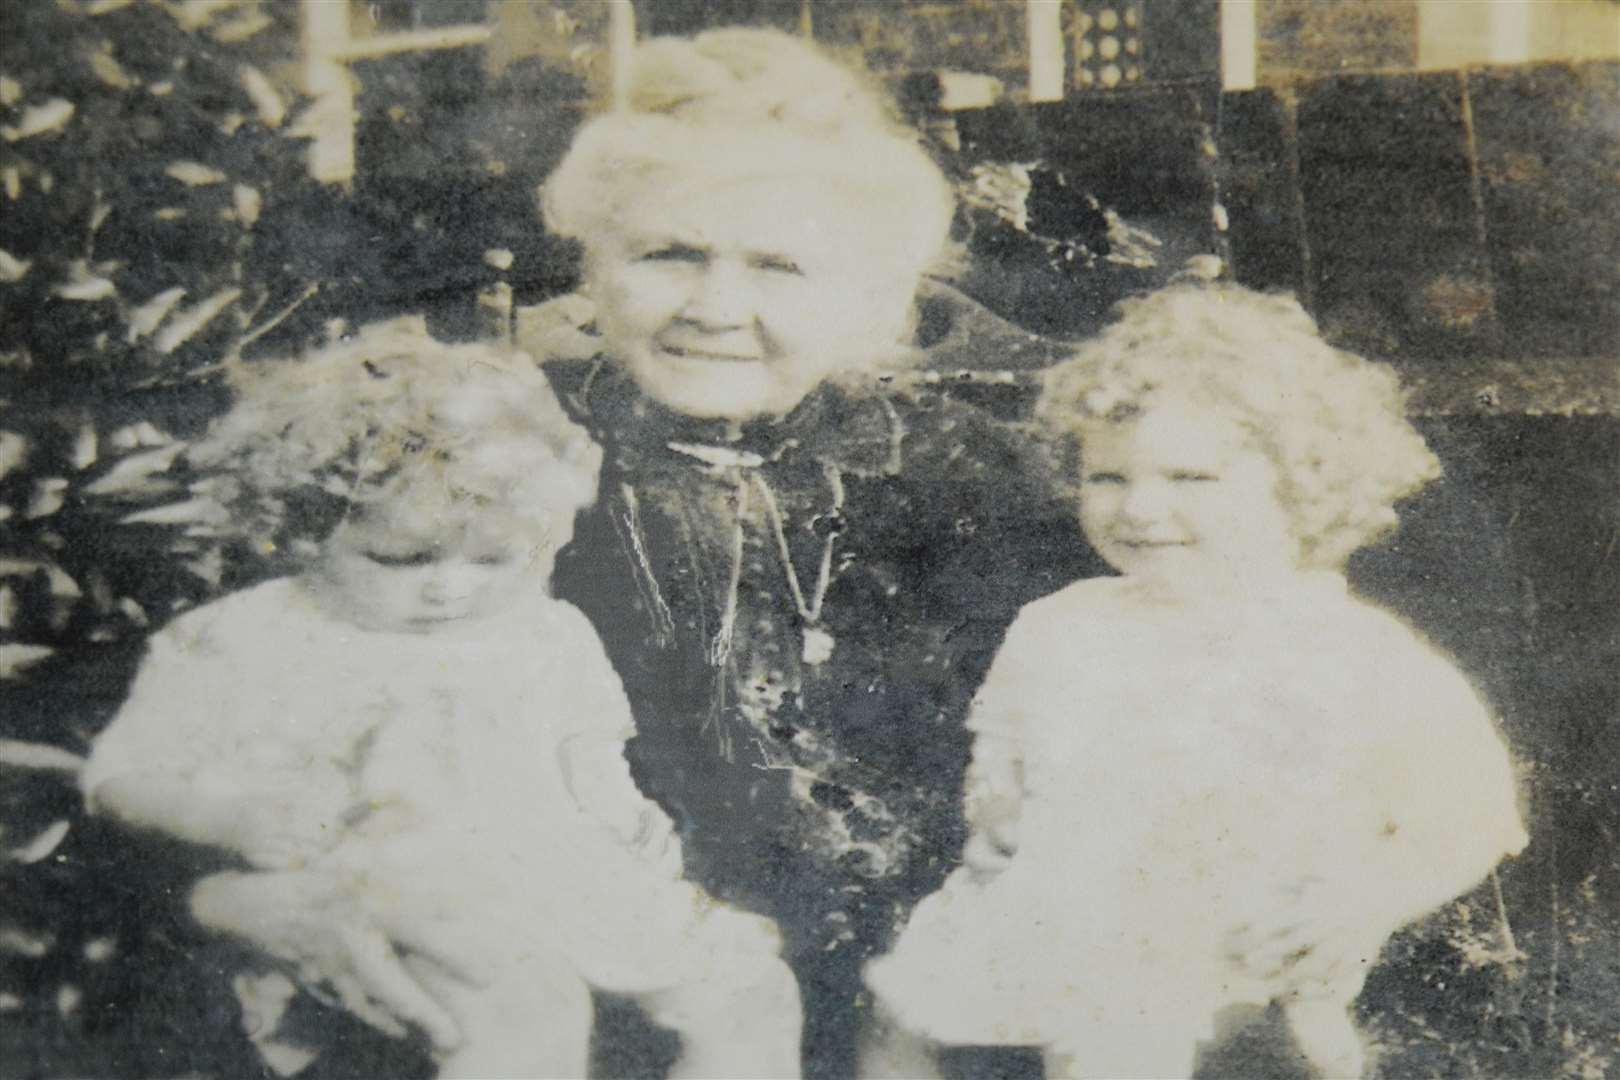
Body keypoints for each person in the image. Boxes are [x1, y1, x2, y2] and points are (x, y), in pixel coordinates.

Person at [534, 26, 1103, 1078]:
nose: (714, 309)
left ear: (868, 297)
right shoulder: (505, 476)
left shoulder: (983, 485)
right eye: (669, 253)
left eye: (778, 266)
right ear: (596, 266)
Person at [81, 319, 801, 1079]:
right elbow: (123, 777)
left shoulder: (543, 630)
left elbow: (586, 753)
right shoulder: (243, 637)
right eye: (402, 557)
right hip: (394, 887)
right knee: (521, 1009)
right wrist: (227, 816)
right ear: (300, 528)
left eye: (493, 556)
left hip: (556, 869)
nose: (450, 585)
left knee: (746, 988)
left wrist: (632, 830)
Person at [864, 283, 1530, 1079]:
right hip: (1054, 920)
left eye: (1191, 480)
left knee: (1127, 1046)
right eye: (1108, 478)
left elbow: (1472, 815)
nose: (1140, 508)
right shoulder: (1064, 624)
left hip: (1235, 957)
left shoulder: (1353, 654)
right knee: (900, 1022)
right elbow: (1007, 767)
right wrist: (998, 836)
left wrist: (1366, 899)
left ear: (1301, 483)